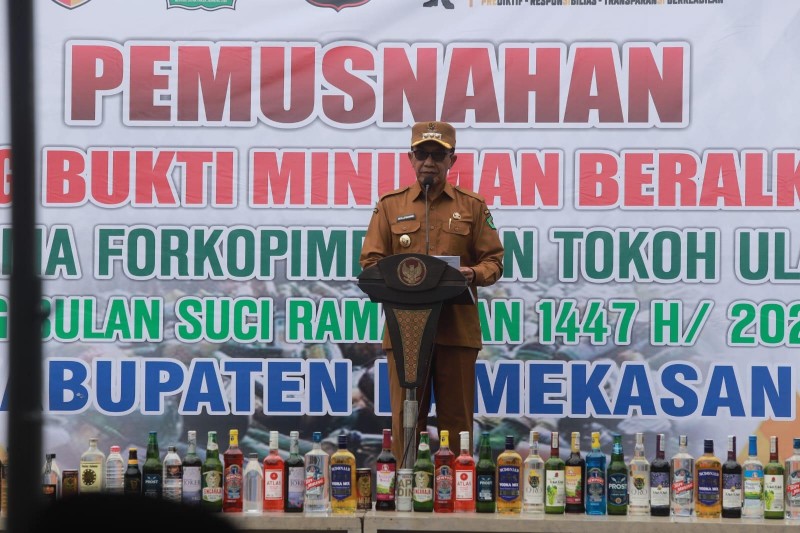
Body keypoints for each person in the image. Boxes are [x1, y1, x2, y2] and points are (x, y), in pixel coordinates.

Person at [359, 121, 504, 462]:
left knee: (458, 421)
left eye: (438, 155)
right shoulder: (390, 205)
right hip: (405, 331)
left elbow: (494, 262)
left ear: (452, 160)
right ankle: (407, 483)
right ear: (410, 158)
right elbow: (371, 263)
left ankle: (457, 486)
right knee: (406, 420)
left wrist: (471, 273)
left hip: (456, 331)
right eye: (422, 153)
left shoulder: (473, 206)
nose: (429, 162)